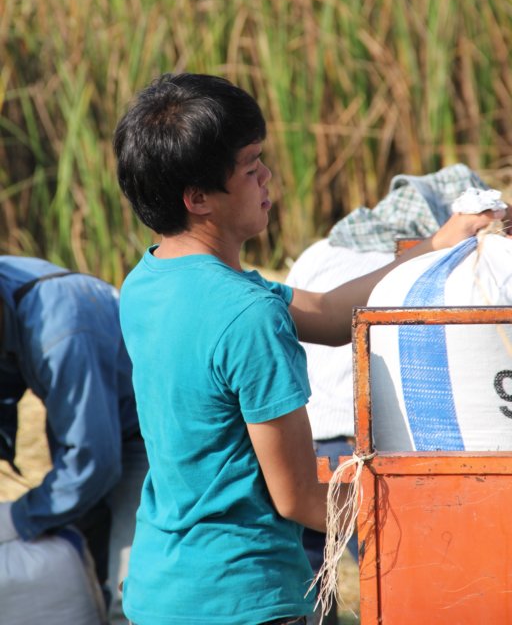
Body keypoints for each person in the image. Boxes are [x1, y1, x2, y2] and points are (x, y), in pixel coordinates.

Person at [112, 72, 502, 625]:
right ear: (197, 198)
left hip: (159, 590)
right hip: (243, 598)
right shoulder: (249, 317)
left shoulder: (147, 281)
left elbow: (330, 314)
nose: (267, 176)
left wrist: (440, 243)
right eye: (251, 167)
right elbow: (297, 496)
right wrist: (435, 511)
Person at [285, 164, 494, 624]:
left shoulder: (319, 252)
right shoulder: (430, 267)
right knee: (400, 582)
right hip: (360, 446)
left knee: (310, 583)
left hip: (297, 439)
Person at [0, 257, 148, 623]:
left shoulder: (60, 332)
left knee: (130, 597)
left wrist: (20, 517)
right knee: (87, 573)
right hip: (84, 424)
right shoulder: (8, 288)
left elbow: (93, 461)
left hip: (145, 436)